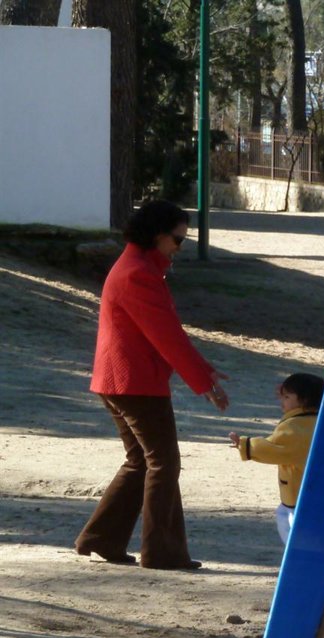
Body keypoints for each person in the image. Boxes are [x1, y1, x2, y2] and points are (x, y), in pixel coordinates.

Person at [75, 200, 230, 570]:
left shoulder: (137, 267)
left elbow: (167, 333)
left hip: (120, 380)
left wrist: (204, 371)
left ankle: (101, 538)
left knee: (141, 462)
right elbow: (166, 337)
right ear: (158, 236)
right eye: (178, 240)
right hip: (134, 381)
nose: (180, 247)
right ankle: (162, 552)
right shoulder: (138, 273)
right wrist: (203, 380)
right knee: (163, 463)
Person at [228, 373, 324, 544]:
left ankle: (298, 558)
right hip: (318, 491)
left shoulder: (294, 426)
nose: (282, 401)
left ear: (304, 400)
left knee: (292, 530)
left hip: (297, 496)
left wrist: (246, 445)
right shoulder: (323, 421)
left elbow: (274, 449)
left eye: (287, 397)